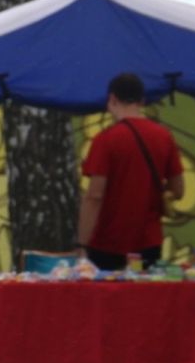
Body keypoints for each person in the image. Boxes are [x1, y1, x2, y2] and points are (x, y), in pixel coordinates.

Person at [77, 72, 185, 271]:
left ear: (112, 99)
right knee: (143, 291)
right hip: (149, 243)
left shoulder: (105, 140)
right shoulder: (164, 137)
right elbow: (178, 190)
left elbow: (94, 196)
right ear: (142, 101)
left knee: (108, 291)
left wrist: (83, 245)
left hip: (107, 244)